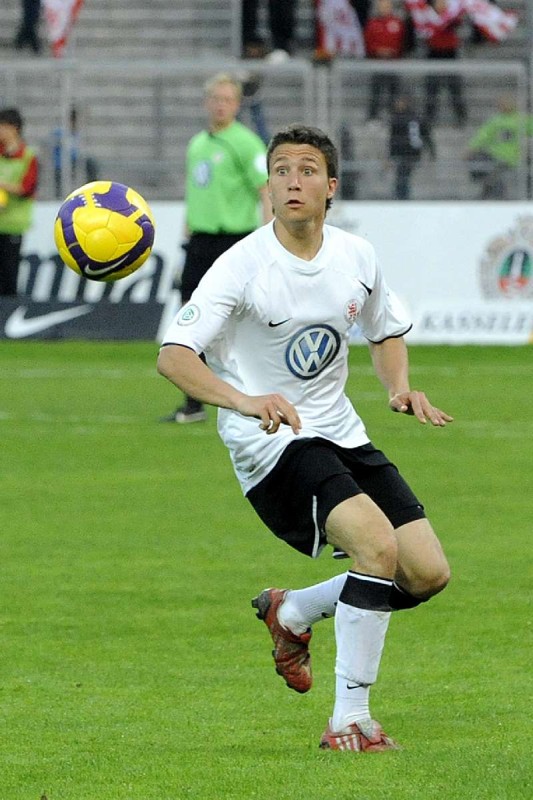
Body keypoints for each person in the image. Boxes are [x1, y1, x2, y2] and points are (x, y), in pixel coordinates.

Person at [157, 123, 452, 751]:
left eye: (307, 170)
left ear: (331, 186)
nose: (293, 181)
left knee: (426, 573)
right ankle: (350, 720)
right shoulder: (240, 266)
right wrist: (245, 400)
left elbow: (384, 329)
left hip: (340, 429)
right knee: (376, 548)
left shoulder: (356, 256)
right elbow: (174, 356)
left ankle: (291, 611)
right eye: (282, 170)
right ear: (268, 187)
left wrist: (398, 387)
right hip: (270, 443)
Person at [160, 72, 273, 424]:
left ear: (237, 105)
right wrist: (185, 240)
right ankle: (193, 403)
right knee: (189, 317)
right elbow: (195, 196)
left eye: (227, 100)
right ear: (206, 103)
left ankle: (257, 394)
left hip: (234, 241)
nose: (221, 105)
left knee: (244, 321)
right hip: (200, 241)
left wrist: (268, 240)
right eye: (216, 99)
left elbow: (265, 191)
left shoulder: (247, 144)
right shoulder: (197, 145)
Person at [0, 108, 39, 297]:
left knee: (9, 274)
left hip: (13, 224)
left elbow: (27, 188)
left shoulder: (28, 156)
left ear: (14, 128)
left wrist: (3, 185)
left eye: (3, 127)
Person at [465, 94, 533, 200]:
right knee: (481, 163)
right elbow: (482, 136)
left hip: (513, 158)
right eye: (501, 103)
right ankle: (491, 195)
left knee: (496, 173)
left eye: (506, 103)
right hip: (495, 156)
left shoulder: (522, 119)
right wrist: (471, 148)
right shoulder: (495, 121)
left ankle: (491, 195)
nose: (503, 105)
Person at [422, 0, 467, 128]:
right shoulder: (428, 16)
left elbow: (457, 22)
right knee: (431, 88)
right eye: (438, 2)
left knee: (454, 87)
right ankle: (429, 117)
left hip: (450, 53)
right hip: (434, 53)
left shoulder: (451, 17)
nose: (441, 5)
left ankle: (460, 116)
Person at [364, 0, 407, 122]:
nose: (384, 9)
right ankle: (373, 118)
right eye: (382, 6)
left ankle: (395, 118)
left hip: (393, 63)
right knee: (376, 91)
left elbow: (402, 42)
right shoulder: (372, 23)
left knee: (394, 91)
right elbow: (368, 41)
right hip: (377, 63)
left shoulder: (397, 22)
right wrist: (377, 50)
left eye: (386, 6)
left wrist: (393, 51)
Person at [388, 93, 435, 199]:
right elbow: (427, 136)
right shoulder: (418, 117)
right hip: (414, 152)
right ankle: (402, 197)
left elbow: (393, 138)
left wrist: (391, 155)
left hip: (404, 152)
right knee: (403, 175)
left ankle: (402, 198)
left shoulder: (397, 119)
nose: (397, 105)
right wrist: (432, 152)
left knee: (402, 176)